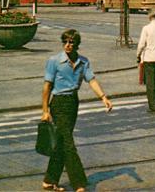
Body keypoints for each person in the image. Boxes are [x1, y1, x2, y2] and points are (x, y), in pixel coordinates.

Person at [42, 29, 112, 192]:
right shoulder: (54, 61)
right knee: (68, 143)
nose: (67, 45)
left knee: (61, 142)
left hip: (73, 103)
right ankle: (79, 183)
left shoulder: (83, 62)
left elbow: (91, 80)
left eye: (71, 42)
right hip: (58, 104)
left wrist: (103, 97)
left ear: (77, 44)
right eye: (65, 42)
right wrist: (45, 111)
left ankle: (49, 180)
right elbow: (47, 87)